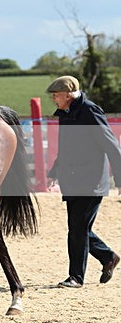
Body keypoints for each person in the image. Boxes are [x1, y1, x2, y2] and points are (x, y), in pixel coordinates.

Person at [46, 75, 121, 288]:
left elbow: (111, 145)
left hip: (91, 181)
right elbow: (67, 148)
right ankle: (108, 257)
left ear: (68, 94)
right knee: (79, 228)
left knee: (77, 229)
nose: (54, 99)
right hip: (73, 180)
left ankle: (76, 277)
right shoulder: (66, 113)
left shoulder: (89, 111)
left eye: (56, 95)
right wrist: (54, 171)